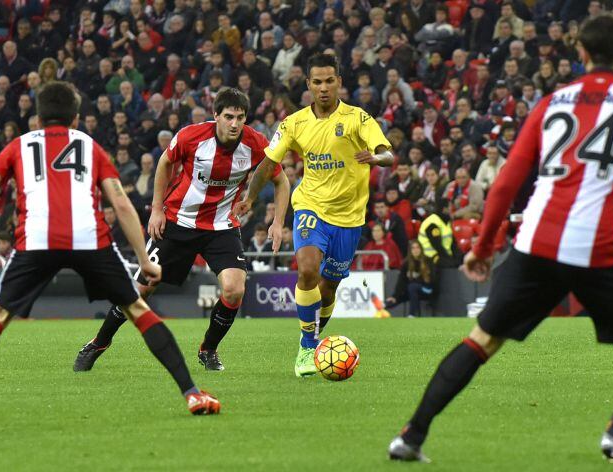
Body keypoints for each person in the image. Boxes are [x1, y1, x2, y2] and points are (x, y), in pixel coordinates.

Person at [389, 14, 613, 464]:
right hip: (596, 248)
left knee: (482, 340)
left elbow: (507, 181)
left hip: (534, 243)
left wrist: (484, 245)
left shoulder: (551, 102)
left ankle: (410, 437)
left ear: (583, 53)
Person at [0, 82, 221, 423]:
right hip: (89, 240)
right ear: (75, 118)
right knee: (138, 309)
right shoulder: (89, 146)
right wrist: (144, 260)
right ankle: (192, 394)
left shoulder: (20, 145)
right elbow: (120, 203)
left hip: (37, 241)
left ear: (38, 117)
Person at [73, 88, 289, 373]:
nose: (235, 123)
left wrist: (276, 222)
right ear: (216, 116)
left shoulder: (255, 143)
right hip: (178, 222)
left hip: (221, 227)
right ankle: (99, 342)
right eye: (228, 117)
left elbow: (281, 181)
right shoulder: (191, 137)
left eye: (240, 117)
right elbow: (164, 163)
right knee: (141, 290)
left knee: (234, 290)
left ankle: (208, 349)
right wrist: (157, 209)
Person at [235, 53, 393, 377]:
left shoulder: (358, 119)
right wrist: (250, 197)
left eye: (329, 81)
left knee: (329, 287)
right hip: (309, 205)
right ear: (308, 84)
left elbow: (387, 152)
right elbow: (268, 163)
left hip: (349, 216)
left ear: (339, 82)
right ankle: (308, 347)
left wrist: (379, 159)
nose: (323, 88)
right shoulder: (293, 123)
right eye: (317, 82)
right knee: (307, 270)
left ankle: (314, 335)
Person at [385, 240, 434, 318]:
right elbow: (401, 281)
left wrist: (415, 281)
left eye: (417, 247)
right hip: (412, 290)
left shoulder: (428, 261)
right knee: (398, 296)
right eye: (413, 248)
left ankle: (412, 314)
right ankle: (381, 308)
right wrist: (395, 296)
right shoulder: (406, 263)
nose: (415, 250)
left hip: (427, 289)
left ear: (421, 249)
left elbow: (432, 280)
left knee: (412, 286)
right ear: (410, 250)